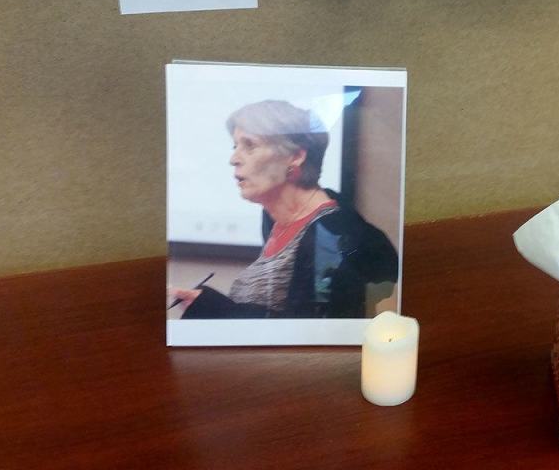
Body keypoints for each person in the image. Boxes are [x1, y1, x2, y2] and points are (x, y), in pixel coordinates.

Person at [169, 100, 398, 319]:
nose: (233, 159)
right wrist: (203, 303)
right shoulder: (273, 218)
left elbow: (312, 334)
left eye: (249, 145)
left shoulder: (330, 236)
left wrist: (212, 309)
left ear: (296, 156)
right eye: (235, 146)